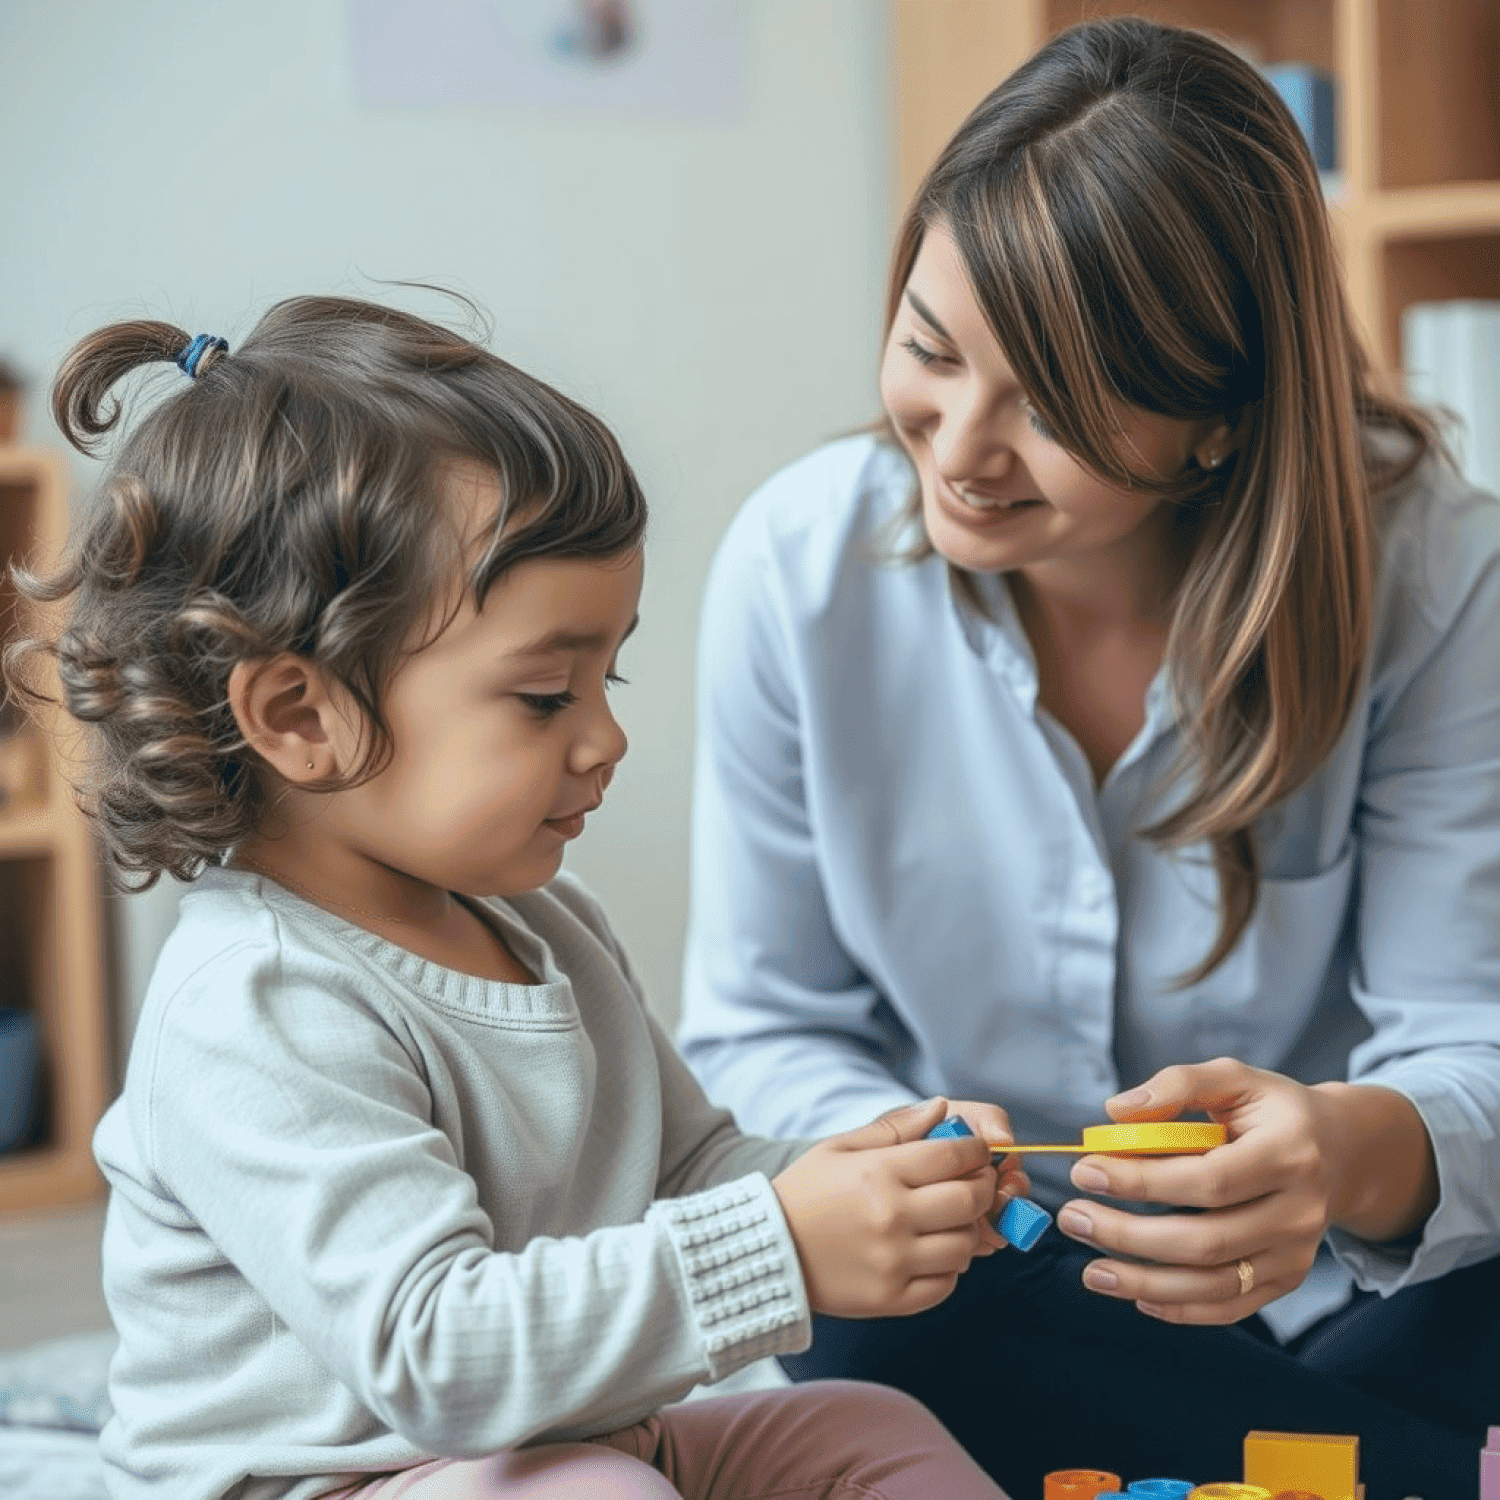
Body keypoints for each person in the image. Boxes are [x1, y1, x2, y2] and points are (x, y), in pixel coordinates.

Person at [2, 297, 1022, 1500]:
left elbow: (691, 1168)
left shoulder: (548, 926)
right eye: (546, 696)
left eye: (611, 671)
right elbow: (441, 1361)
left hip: (570, 1449)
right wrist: (785, 1248)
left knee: (864, 1429)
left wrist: (856, 1175)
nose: (607, 739)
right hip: (346, 1481)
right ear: (298, 716)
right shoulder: (253, 1005)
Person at [678, 16, 1500, 1499]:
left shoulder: (1439, 576)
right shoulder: (798, 573)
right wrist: (898, 1154)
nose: (963, 448)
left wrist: (1336, 1156)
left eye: (1051, 407)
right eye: (930, 349)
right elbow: (754, 1029)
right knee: (872, 1329)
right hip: (1002, 1300)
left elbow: (1474, 1048)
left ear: (1217, 423)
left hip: (1359, 1305)